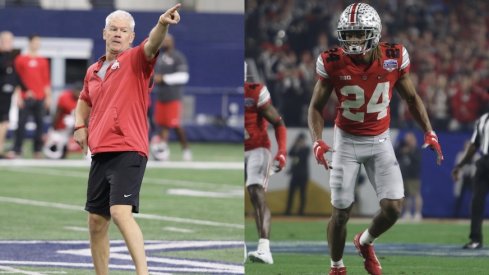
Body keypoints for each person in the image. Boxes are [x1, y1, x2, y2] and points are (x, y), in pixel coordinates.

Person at [307, 3, 443, 275]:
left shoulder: (394, 56)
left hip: (380, 140)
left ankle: (365, 241)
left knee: (393, 208)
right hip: (346, 140)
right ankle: (336, 267)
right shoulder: (331, 61)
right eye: (350, 34)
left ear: (375, 33)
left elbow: (412, 98)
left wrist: (429, 130)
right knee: (341, 211)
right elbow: (315, 107)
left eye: (359, 34)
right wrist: (318, 139)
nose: (354, 40)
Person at [73, 6, 181, 275]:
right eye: (114, 29)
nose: (118, 34)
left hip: (128, 148)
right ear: (104, 33)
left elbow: (152, 43)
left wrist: (162, 24)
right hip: (101, 151)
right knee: (96, 221)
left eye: (124, 31)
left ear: (132, 37)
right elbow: (84, 99)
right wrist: (79, 125)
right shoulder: (94, 70)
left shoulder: (136, 60)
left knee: (120, 213)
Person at [245, 64, 287, 264]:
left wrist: (282, 152)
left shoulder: (254, 92)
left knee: (256, 193)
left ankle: (264, 249)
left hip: (257, 148)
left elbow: (278, 122)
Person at [9, 34, 51, 159]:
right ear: (30, 43)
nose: (37, 44)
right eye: (35, 42)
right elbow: (16, 80)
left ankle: (37, 150)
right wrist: (18, 96)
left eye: (39, 42)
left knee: (40, 124)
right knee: (21, 124)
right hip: (25, 97)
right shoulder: (20, 59)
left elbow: (46, 81)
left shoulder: (43, 61)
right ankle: (17, 149)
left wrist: (48, 97)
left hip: (40, 97)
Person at [150, 33, 191, 161]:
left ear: (172, 42)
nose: (165, 43)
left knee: (176, 125)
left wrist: (164, 78)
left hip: (173, 97)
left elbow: (184, 77)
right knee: (162, 125)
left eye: (167, 40)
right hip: (161, 97)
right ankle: (162, 150)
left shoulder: (178, 57)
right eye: (163, 40)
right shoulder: (159, 58)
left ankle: (186, 149)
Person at [452, 112, 489, 250]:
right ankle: (475, 239)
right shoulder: (483, 119)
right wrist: (460, 166)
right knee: (476, 202)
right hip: (484, 163)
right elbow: (474, 145)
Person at [42, 82, 82, 159]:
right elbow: (58, 112)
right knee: (55, 144)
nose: (78, 94)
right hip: (61, 126)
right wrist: (54, 127)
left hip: (75, 125)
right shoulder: (64, 97)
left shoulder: (84, 99)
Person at [0, 31, 22, 158]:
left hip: (7, 94)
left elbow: (16, 77)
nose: (8, 43)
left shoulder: (12, 58)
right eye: (6, 41)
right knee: (3, 121)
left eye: (10, 41)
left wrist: (18, 92)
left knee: (4, 121)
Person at [395, 131, 422, 221]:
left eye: (409, 139)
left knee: (415, 194)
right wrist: (403, 150)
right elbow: (396, 154)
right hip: (404, 175)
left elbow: (417, 161)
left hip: (413, 176)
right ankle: (407, 212)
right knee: (405, 196)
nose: (407, 141)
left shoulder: (416, 149)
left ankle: (418, 213)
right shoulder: (401, 147)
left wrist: (410, 150)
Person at [285, 132, 310, 216]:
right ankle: (287, 211)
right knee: (291, 194)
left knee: (302, 195)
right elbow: (290, 153)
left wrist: (299, 148)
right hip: (295, 175)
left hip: (303, 175)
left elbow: (301, 158)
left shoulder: (307, 149)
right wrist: (295, 146)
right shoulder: (295, 148)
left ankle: (301, 212)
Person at [452, 140, 478, 218]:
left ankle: (473, 215)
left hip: (472, 179)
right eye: (467, 146)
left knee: (474, 197)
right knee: (458, 197)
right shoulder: (460, 155)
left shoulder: (476, 156)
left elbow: (477, 168)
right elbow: (457, 167)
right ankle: (455, 215)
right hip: (462, 178)